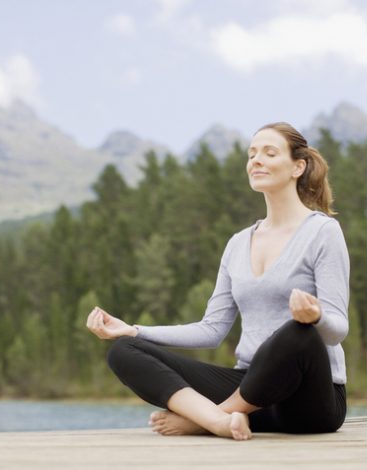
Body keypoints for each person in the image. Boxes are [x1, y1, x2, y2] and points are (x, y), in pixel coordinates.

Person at [86, 122, 351, 441]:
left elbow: (338, 330)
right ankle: (219, 420)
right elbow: (212, 329)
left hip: (309, 403)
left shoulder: (322, 232)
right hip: (254, 394)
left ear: (298, 166)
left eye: (269, 152)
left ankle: (206, 420)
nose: (256, 160)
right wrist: (134, 330)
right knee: (124, 350)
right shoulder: (238, 243)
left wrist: (316, 317)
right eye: (251, 154)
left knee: (298, 333)